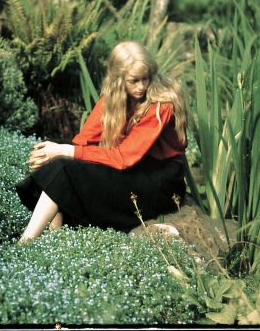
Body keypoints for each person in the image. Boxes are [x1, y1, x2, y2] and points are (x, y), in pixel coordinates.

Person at [15, 40, 188, 242]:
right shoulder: (114, 97)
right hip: (135, 169)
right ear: (118, 78)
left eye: (146, 78)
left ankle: (25, 243)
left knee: (63, 165)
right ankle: (56, 235)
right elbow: (85, 139)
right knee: (59, 156)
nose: (141, 86)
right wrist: (54, 153)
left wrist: (63, 153)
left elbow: (123, 157)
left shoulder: (161, 105)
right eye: (134, 80)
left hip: (159, 182)